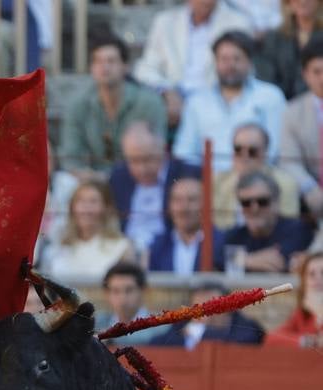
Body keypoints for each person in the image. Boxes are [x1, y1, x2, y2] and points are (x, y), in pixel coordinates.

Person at [172, 31, 288, 174]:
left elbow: (275, 149)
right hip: (208, 182)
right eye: (224, 59)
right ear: (216, 62)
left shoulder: (270, 96)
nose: (230, 65)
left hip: (257, 180)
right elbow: (184, 152)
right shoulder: (197, 101)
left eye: (237, 59)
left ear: (250, 62)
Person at [58, 33, 168, 178]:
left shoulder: (150, 103)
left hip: (137, 180)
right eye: (98, 61)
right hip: (91, 183)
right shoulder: (78, 105)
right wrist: (92, 179)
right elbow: (71, 157)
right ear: (91, 68)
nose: (104, 67)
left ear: (125, 66)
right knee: (64, 181)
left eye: (111, 61)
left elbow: (155, 154)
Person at [132, 0, 251, 128]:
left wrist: (199, 103)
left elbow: (240, 71)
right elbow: (145, 68)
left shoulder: (238, 22)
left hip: (215, 101)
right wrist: (167, 91)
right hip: (171, 99)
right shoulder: (165, 22)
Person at [107, 122, 200, 255]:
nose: (142, 168)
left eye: (148, 159)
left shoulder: (185, 174)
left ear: (163, 150)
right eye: (134, 161)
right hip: (126, 253)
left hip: (167, 254)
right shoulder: (118, 177)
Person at [211, 122, 300, 228]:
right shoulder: (218, 182)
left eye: (252, 151)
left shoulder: (286, 185)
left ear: (265, 153)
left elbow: (289, 227)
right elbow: (214, 227)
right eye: (238, 149)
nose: (244, 156)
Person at [225, 170, 312, 273]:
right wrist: (247, 260)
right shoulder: (235, 236)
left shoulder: (297, 229)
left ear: (277, 202)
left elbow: (280, 262)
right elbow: (217, 258)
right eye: (246, 203)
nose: (254, 209)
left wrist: (240, 260)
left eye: (262, 202)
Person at [151, 277, 264, 348]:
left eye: (210, 309)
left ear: (228, 309)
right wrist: (187, 339)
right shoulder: (183, 325)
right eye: (196, 310)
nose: (201, 316)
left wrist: (200, 334)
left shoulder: (246, 329)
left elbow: (242, 343)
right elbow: (157, 345)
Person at [279, 34, 323, 218]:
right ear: (305, 75)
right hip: (310, 193)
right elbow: (289, 160)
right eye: (317, 72)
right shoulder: (292, 111)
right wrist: (310, 188)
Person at [148, 177, 226, 274]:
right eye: (177, 200)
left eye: (192, 200)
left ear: (206, 204)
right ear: (170, 205)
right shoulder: (158, 245)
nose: (184, 207)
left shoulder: (223, 242)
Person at [253, 0, 322, 100]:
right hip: (282, 105)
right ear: (288, 2)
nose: (303, 1)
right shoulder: (274, 38)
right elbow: (266, 78)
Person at [93, 261, 172, 345]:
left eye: (129, 290)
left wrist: (110, 339)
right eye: (116, 291)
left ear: (143, 291)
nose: (122, 298)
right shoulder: (97, 323)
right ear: (106, 294)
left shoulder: (161, 327)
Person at [267, 248, 323, 345]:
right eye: (311, 274)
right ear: (304, 281)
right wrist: (306, 341)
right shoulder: (303, 314)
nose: (318, 279)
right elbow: (271, 338)